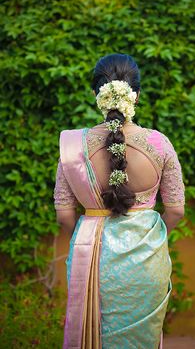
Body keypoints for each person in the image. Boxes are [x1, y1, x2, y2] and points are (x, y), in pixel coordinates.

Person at [53, 53, 185, 349]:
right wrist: (152, 237)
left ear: (95, 95)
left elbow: (63, 215)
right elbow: (176, 210)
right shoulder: (159, 143)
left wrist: (83, 237)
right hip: (146, 257)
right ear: (136, 95)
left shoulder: (73, 146)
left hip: (92, 256)